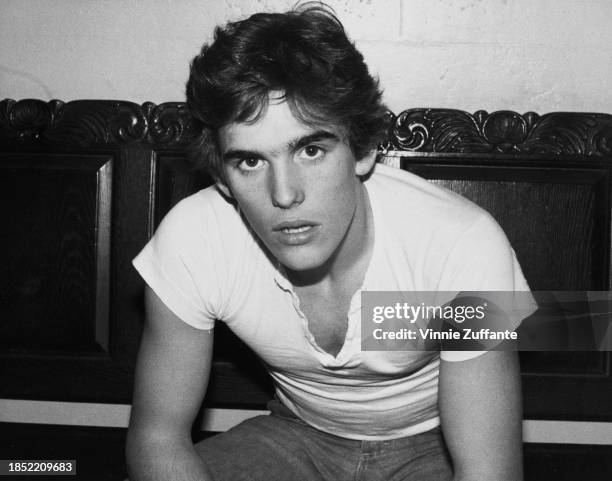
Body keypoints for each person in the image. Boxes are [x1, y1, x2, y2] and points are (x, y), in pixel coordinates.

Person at [126, 3, 533, 480]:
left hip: (436, 444)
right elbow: (158, 437)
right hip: (296, 433)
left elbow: (489, 472)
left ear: (362, 150)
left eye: (311, 149)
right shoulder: (195, 239)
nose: (284, 195)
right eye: (250, 163)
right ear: (221, 176)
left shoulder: (462, 243)